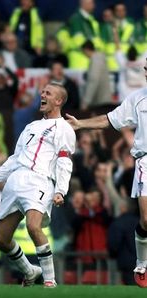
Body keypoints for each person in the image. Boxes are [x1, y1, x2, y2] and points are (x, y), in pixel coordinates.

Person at [0, 82, 76, 288]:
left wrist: (60, 191)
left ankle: (50, 281)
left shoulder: (64, 128)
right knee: (1, 241)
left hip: (39, 180)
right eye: (42, 92)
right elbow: (14, 158)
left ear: (58, 101)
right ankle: (30, 271)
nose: (42, 95)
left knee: (32, 226)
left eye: (48, 93)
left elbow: (64, 161)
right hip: (15, 181)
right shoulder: (31, 126)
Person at [66, 58, 147, 287]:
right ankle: (142, 263)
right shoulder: (138, 98)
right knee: (146, 219)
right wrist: (81, 124)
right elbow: (109, 120)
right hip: (145, 160)